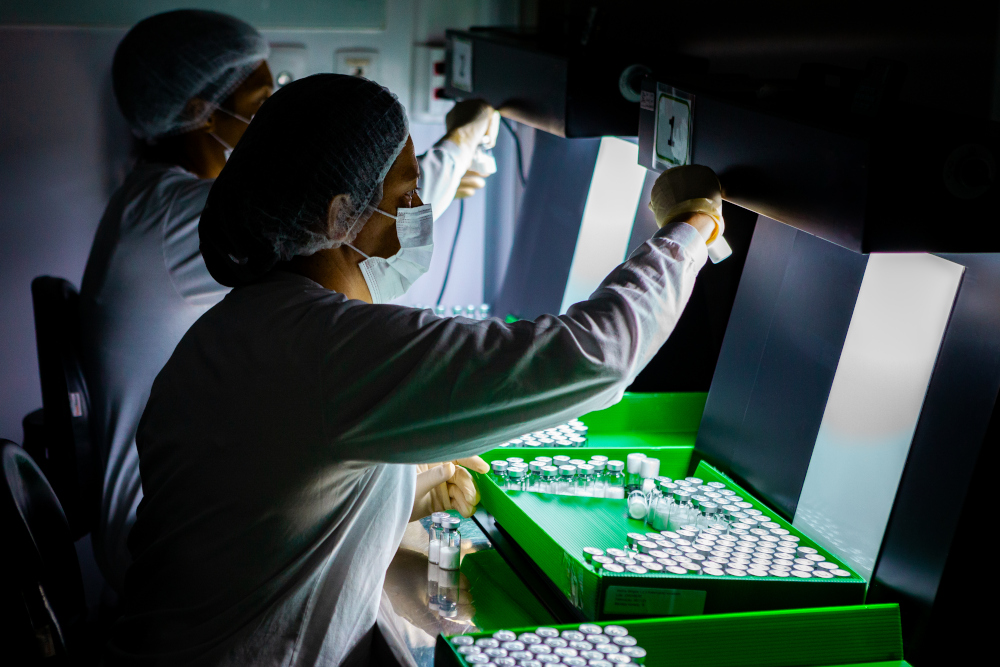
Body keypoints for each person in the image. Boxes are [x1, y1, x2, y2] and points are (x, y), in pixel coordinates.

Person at [105, 74, 721, 665]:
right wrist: (689, 228)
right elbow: (595, 357)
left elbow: (262, 504)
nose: (420, 210)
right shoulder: (331, 347)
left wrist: (397, 494)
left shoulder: (235, 327)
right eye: (406, 195)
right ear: (339, 217)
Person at [80, 9, 495, 595]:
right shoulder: (182, 223)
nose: (271, 115)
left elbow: (356, 208)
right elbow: (341, 213)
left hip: (179, 500)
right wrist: (458, 145)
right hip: (159, 535)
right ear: (200, 110)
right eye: (258, 101)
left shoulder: (149, 200)